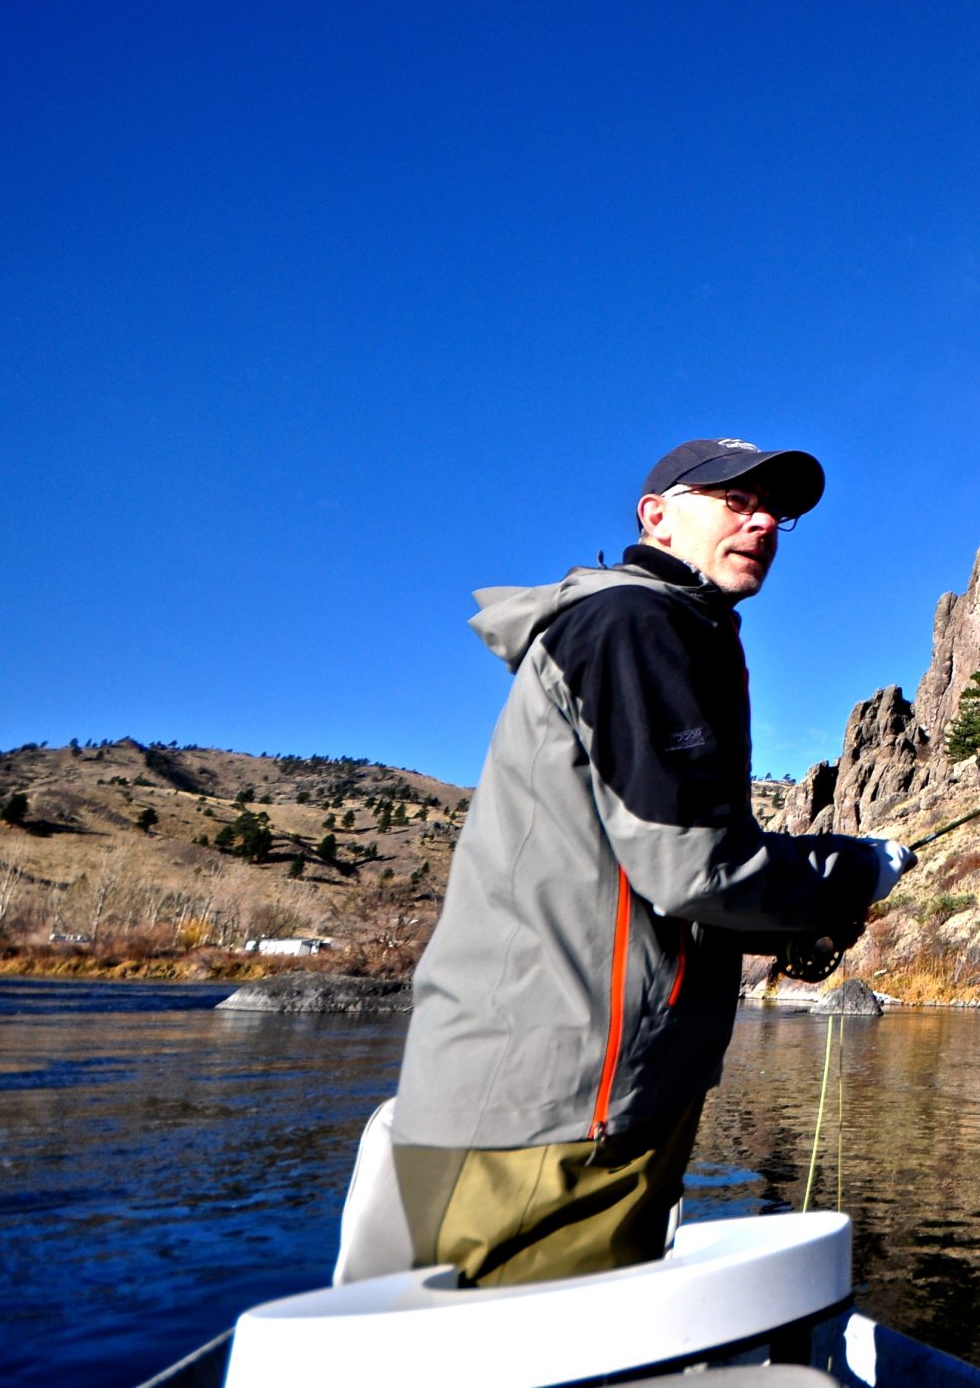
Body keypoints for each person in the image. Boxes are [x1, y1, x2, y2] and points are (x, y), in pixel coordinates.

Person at [384, 437, 915, 1288]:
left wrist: (790, 921)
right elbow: (693, 865)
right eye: (735, 500)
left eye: (776, 510)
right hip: (557, 1111)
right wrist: (853, 874)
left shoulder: (664, 627)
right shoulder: (637, 623)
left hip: (588, 1094)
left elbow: (641, 889)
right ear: (656, 516)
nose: (766, 520)